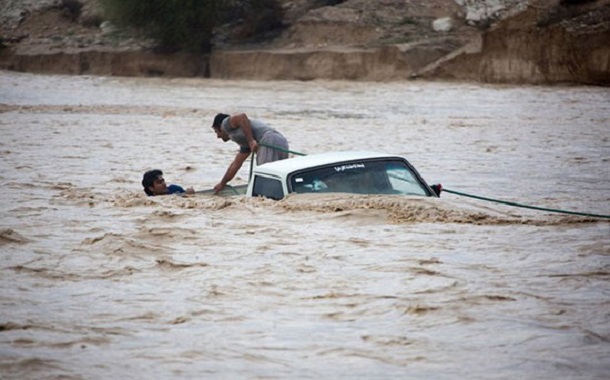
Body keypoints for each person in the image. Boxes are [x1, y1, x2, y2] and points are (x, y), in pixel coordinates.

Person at [211, 113, 289, 193]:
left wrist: (251, 141)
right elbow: (235, 165)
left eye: (216, 131)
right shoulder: (244, 142)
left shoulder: (225, 124)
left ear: (220, 127)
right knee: (277, 175)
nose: (218, 136)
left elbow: (242, 117)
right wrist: (222, 183)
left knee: (265, 176)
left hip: (269, 139)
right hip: (281, 141)